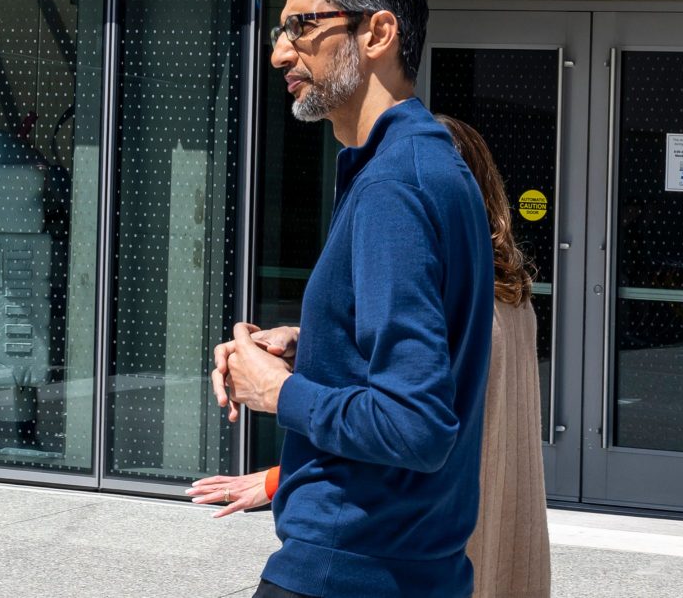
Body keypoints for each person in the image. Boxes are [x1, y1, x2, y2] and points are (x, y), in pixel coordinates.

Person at [207, 0, 495, 598]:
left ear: (378, 33)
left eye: (301, 27)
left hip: (347, 567)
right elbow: (423, 359)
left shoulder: (393, 186)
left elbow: (416, 425)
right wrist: (316, 345)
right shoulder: (424, 164)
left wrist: (279, 391)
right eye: (281, 31)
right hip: (406, 566)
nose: (281, 53)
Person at [192, 116, 552, 598]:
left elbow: (416, 425)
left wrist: (280, 405)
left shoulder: (474, 307)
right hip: (478, 532)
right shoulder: (508, 296)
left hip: (430, 538)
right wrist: (310, 342)